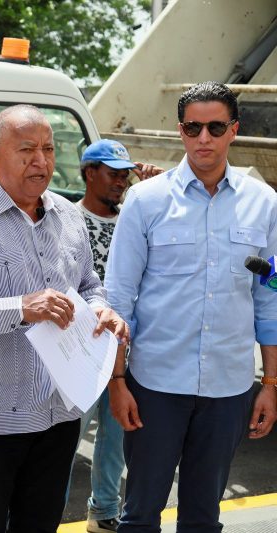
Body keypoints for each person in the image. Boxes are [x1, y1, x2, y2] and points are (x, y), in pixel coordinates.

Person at [0, 104, 128, 533]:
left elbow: (89, 283)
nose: (41, 161)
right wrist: (19, 308)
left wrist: (102, 309)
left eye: (49, 149)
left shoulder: (68, 217)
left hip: (59, 414)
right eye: (27, 149)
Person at [105, 81, 277, 532]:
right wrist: (117, 381)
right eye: (193, 127)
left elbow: (269, 300)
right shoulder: (145, 201)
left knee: (203, 517)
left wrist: (271, 384)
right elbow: (119, 301)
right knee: (140, 515)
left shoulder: (265, 204)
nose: (204, 138)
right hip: (156, 386)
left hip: (229, 389)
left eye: (215, 126)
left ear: (233, 130)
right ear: (180, 131)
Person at [73, 139, 163, 533]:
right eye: (112, 174)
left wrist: (155, 193)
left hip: (125, 351)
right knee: (64, 443)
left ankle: (104, 512)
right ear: (89, 173)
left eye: (126, 176)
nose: (121, 183)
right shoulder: (66, 220)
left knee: (115, 438)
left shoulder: (138, 215)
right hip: (79, 350)